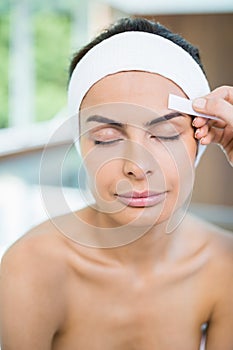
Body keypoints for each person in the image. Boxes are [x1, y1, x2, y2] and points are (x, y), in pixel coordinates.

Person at [0, 17, 233, 350]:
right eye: (107, 138)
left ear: (201, 139)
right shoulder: (31, 267)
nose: (137, 166)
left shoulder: (224, 263)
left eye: (165, 134)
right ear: (81, 145)